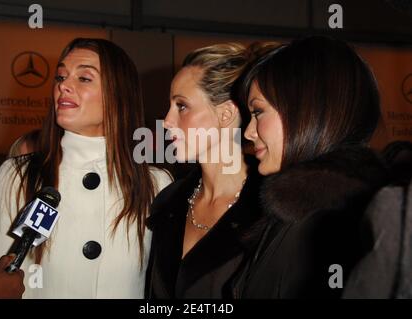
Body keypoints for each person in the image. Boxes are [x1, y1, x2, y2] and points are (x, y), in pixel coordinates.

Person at [0, 38, 172, 298]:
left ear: (119, 94)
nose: (64, 86)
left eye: (84, 78)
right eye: (61, 77)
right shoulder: (18, 176)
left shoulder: (156, 184)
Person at [232, 36, 390, 298]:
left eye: (258, 112)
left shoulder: (332, 230)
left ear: (305, 111)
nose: (248, 132)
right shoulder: (300, 210)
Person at [145, 42, 280, 298]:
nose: (167, 121)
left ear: (226, 114)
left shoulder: (271, 208)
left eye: (181, 106)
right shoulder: (167, 202)